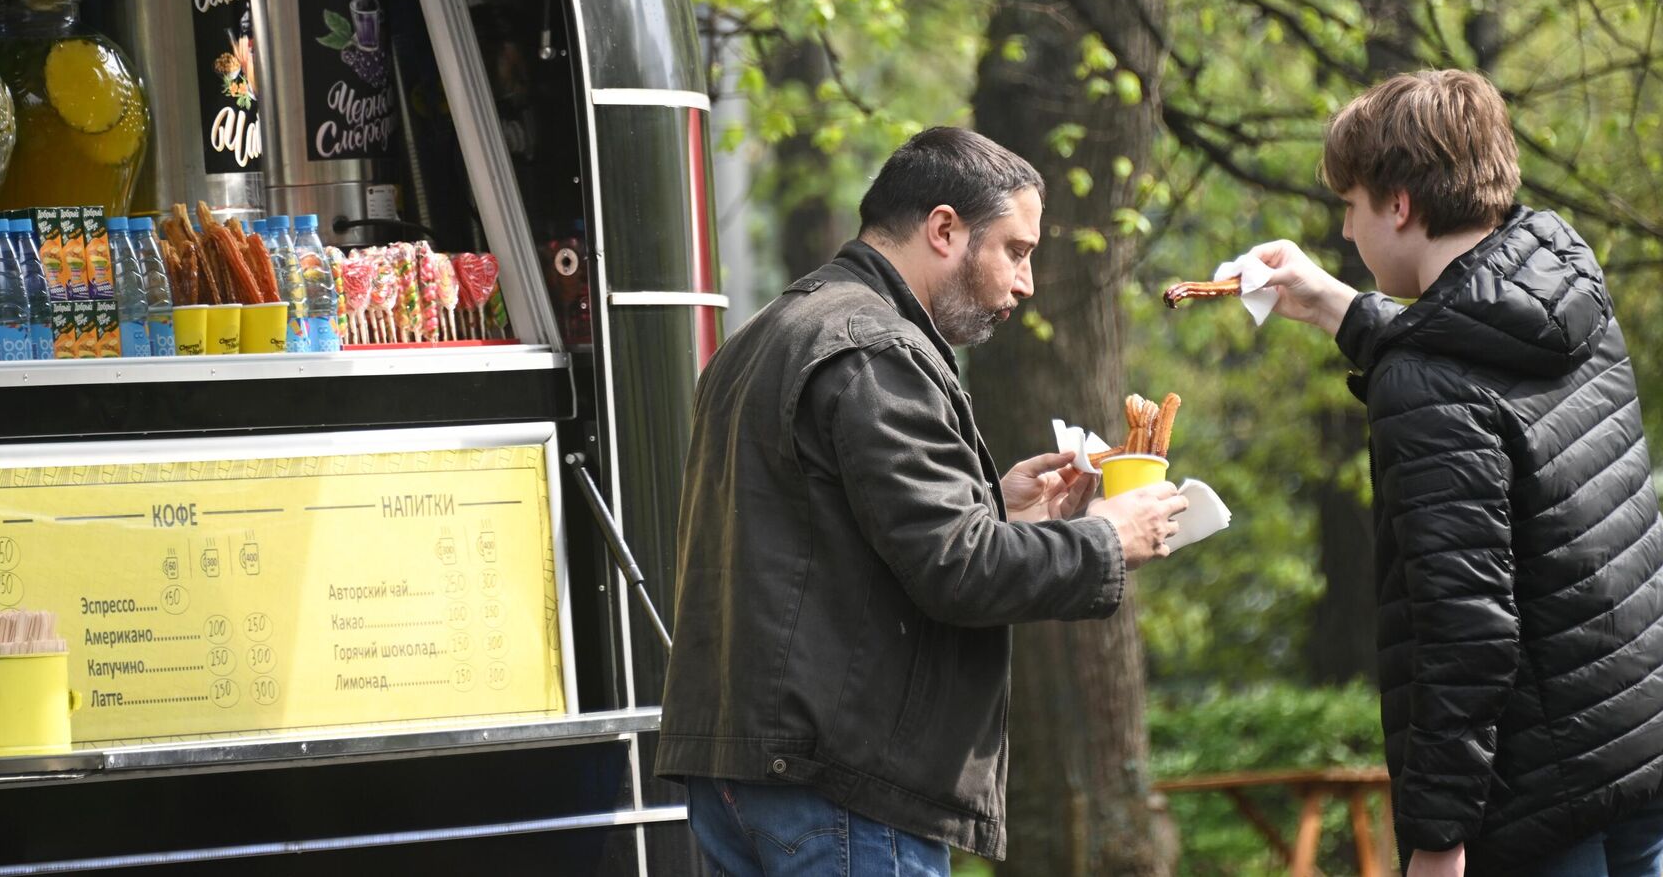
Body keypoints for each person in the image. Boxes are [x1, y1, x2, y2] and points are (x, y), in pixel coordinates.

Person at [656, 126, 1188, 874]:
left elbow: (832, 546)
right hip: (843, 788)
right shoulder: (879, 349)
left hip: (742, 773)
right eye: (1017, 249)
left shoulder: (762, 335)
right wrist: (1106, 535)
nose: (1026, 281)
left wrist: (995, 509)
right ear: (945, 228)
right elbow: (957, 571)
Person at [1254, 70, 1663, 877]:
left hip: (1537, 809)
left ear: (1398, 204)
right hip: (1637, 757)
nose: (1346, 231)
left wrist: (1437, 841)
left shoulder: (1420, 382)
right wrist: (1340, 307)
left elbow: (1465, 628)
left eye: (1351, 204)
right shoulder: (1565, 282)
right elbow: (1468, 350)